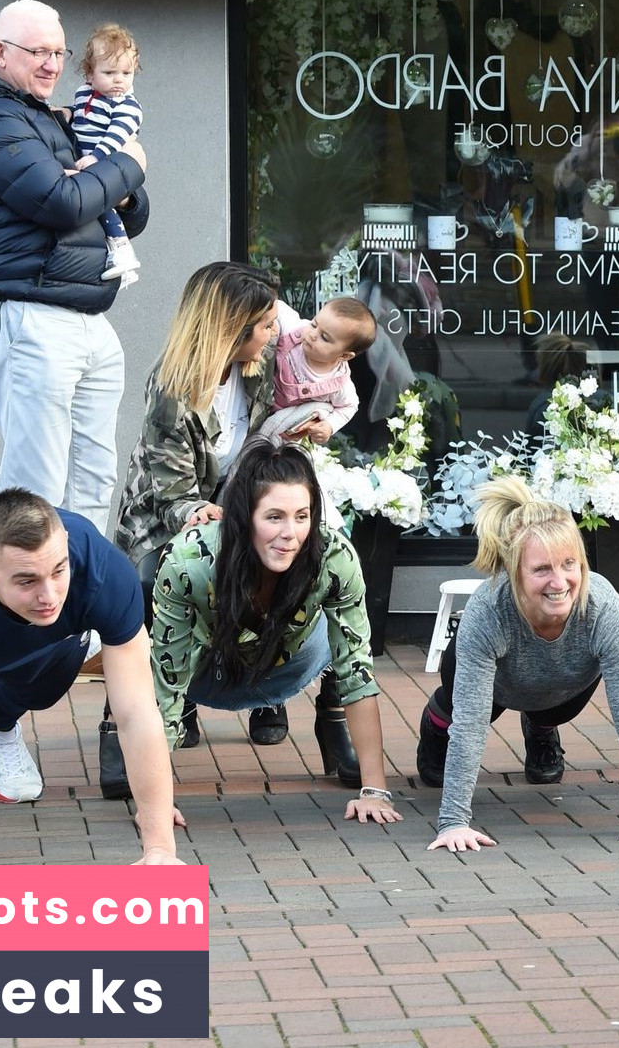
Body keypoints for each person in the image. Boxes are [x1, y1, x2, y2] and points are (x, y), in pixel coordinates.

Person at [0, 0, 150, 532]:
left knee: (93, 483)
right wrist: (129, 164)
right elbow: (61, 202)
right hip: (27, 312)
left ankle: (79, 610)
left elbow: (120, 213)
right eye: (37, 52)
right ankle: (23, 614)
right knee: (37, 490)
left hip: (84, 313)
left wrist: (118, 186)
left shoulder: (44, 114)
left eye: (58, 52)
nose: (51, 64)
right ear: (0, 54)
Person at [0, 488, 181, 865]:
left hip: (43, 645)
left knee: (51, 676)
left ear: (67, 546)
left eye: (58, 571)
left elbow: (138, 712)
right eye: (27, 581)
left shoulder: (104, 572)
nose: (49, 594)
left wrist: (160, 848)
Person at [130, 439, 401, 823]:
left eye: (302, 516)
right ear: (245, 517)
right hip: (204, 673)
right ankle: (120, 722)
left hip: (289, 665)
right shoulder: (188, 561)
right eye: (274, 517)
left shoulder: (334, 557)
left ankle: (331, 719)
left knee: (340, 632)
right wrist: (153, 804)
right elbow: (166, 687)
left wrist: (375, 791)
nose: (291, 533)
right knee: (145, 650)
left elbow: (357, 669)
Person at [424, 476, 619, 853]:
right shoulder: (487, 612)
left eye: (569, 564)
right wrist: (452, 822)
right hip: (494, 683)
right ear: (515, 572)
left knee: (554, 706)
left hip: (562, 684)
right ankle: (434, 724)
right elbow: (471, 725)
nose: (559, 581)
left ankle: (541, 726)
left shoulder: (603, 609)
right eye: (542, 569)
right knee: (459, 717)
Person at [112, 261, 286, 764]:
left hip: (236, 505)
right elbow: (172, 498)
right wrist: (231, 526)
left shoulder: (264, 360)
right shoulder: (173, 394)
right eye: (266, 324)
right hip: (165, 522)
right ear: (233, 330)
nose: (275, 332)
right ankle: (174, 692)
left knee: (288, 558)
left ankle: (271, 688)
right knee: (190, 573)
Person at [68, 23, 145, 285]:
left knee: (103, 206)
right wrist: (67, 113)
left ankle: (122, 250)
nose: (119, 79)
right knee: (94, 212)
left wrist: (97, 156)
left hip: (103, 162)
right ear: (89, 74)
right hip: (86, 161)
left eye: (127, 72)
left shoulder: (126, 104)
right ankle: (119, 265)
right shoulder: (84, 95)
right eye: (110, 72)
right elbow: (81, 118)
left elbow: (118, 133)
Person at [258, 296, 379, 445]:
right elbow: (276, 305)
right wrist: (270, 323)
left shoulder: (338, 384)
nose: (313, 335)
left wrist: (328, 426)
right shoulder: (294, 330)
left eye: (325, 338)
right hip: (257, 397)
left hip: (282, 421)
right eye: (314, 324)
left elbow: (349, 406)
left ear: (344, 355)